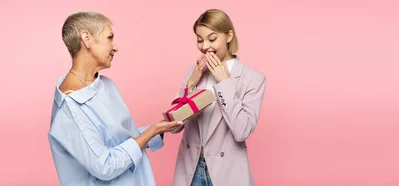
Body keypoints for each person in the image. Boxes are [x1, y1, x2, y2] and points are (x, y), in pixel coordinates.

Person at [48, 11, 183, 186]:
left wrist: (161, 128)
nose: (115, 47)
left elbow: (123, 140)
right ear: (87, 39)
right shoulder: (71, 108)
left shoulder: (105, 85)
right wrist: (152, 131)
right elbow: (105, 166)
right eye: (109, 37)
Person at [171, 9, 267, 186]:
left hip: (228, 172)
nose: (205, 46)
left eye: (212, 39)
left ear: (229, 36)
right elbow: (173, 127)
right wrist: (189, 86)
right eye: (200, 40)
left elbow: (242, 131)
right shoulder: (193, 74)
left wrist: (225, 83)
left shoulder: (253, 79)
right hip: (191, 169)